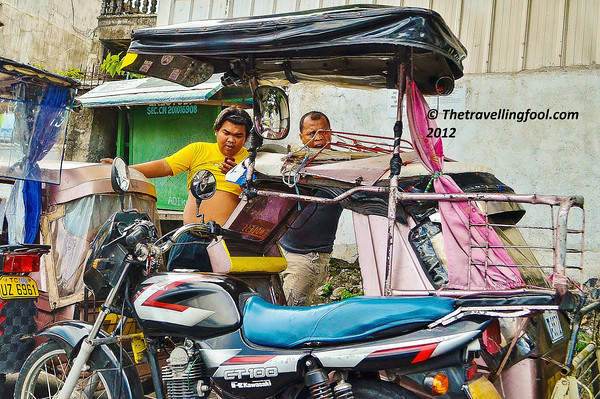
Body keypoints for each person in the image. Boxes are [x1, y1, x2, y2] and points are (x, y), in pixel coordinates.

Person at [104, 106, 252, 270]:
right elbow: (164, 166)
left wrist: (238, 176)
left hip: (225, 243)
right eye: (227, 133)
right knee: (175, 289)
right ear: (216, 131)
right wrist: (126, 169)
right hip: (188, 237)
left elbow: (256, 201)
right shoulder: (198, 150)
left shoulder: (252, 162)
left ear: (245, 139)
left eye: (238, 135)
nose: (231, 139)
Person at [279, 111, 343, 306]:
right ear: (301, 137)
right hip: (280, 251)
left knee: (288, 314)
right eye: (311, 133)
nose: (318, 138)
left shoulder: (343, 166)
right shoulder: (293, 163)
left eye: (323, 132)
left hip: (310, 258)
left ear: (331, 134)